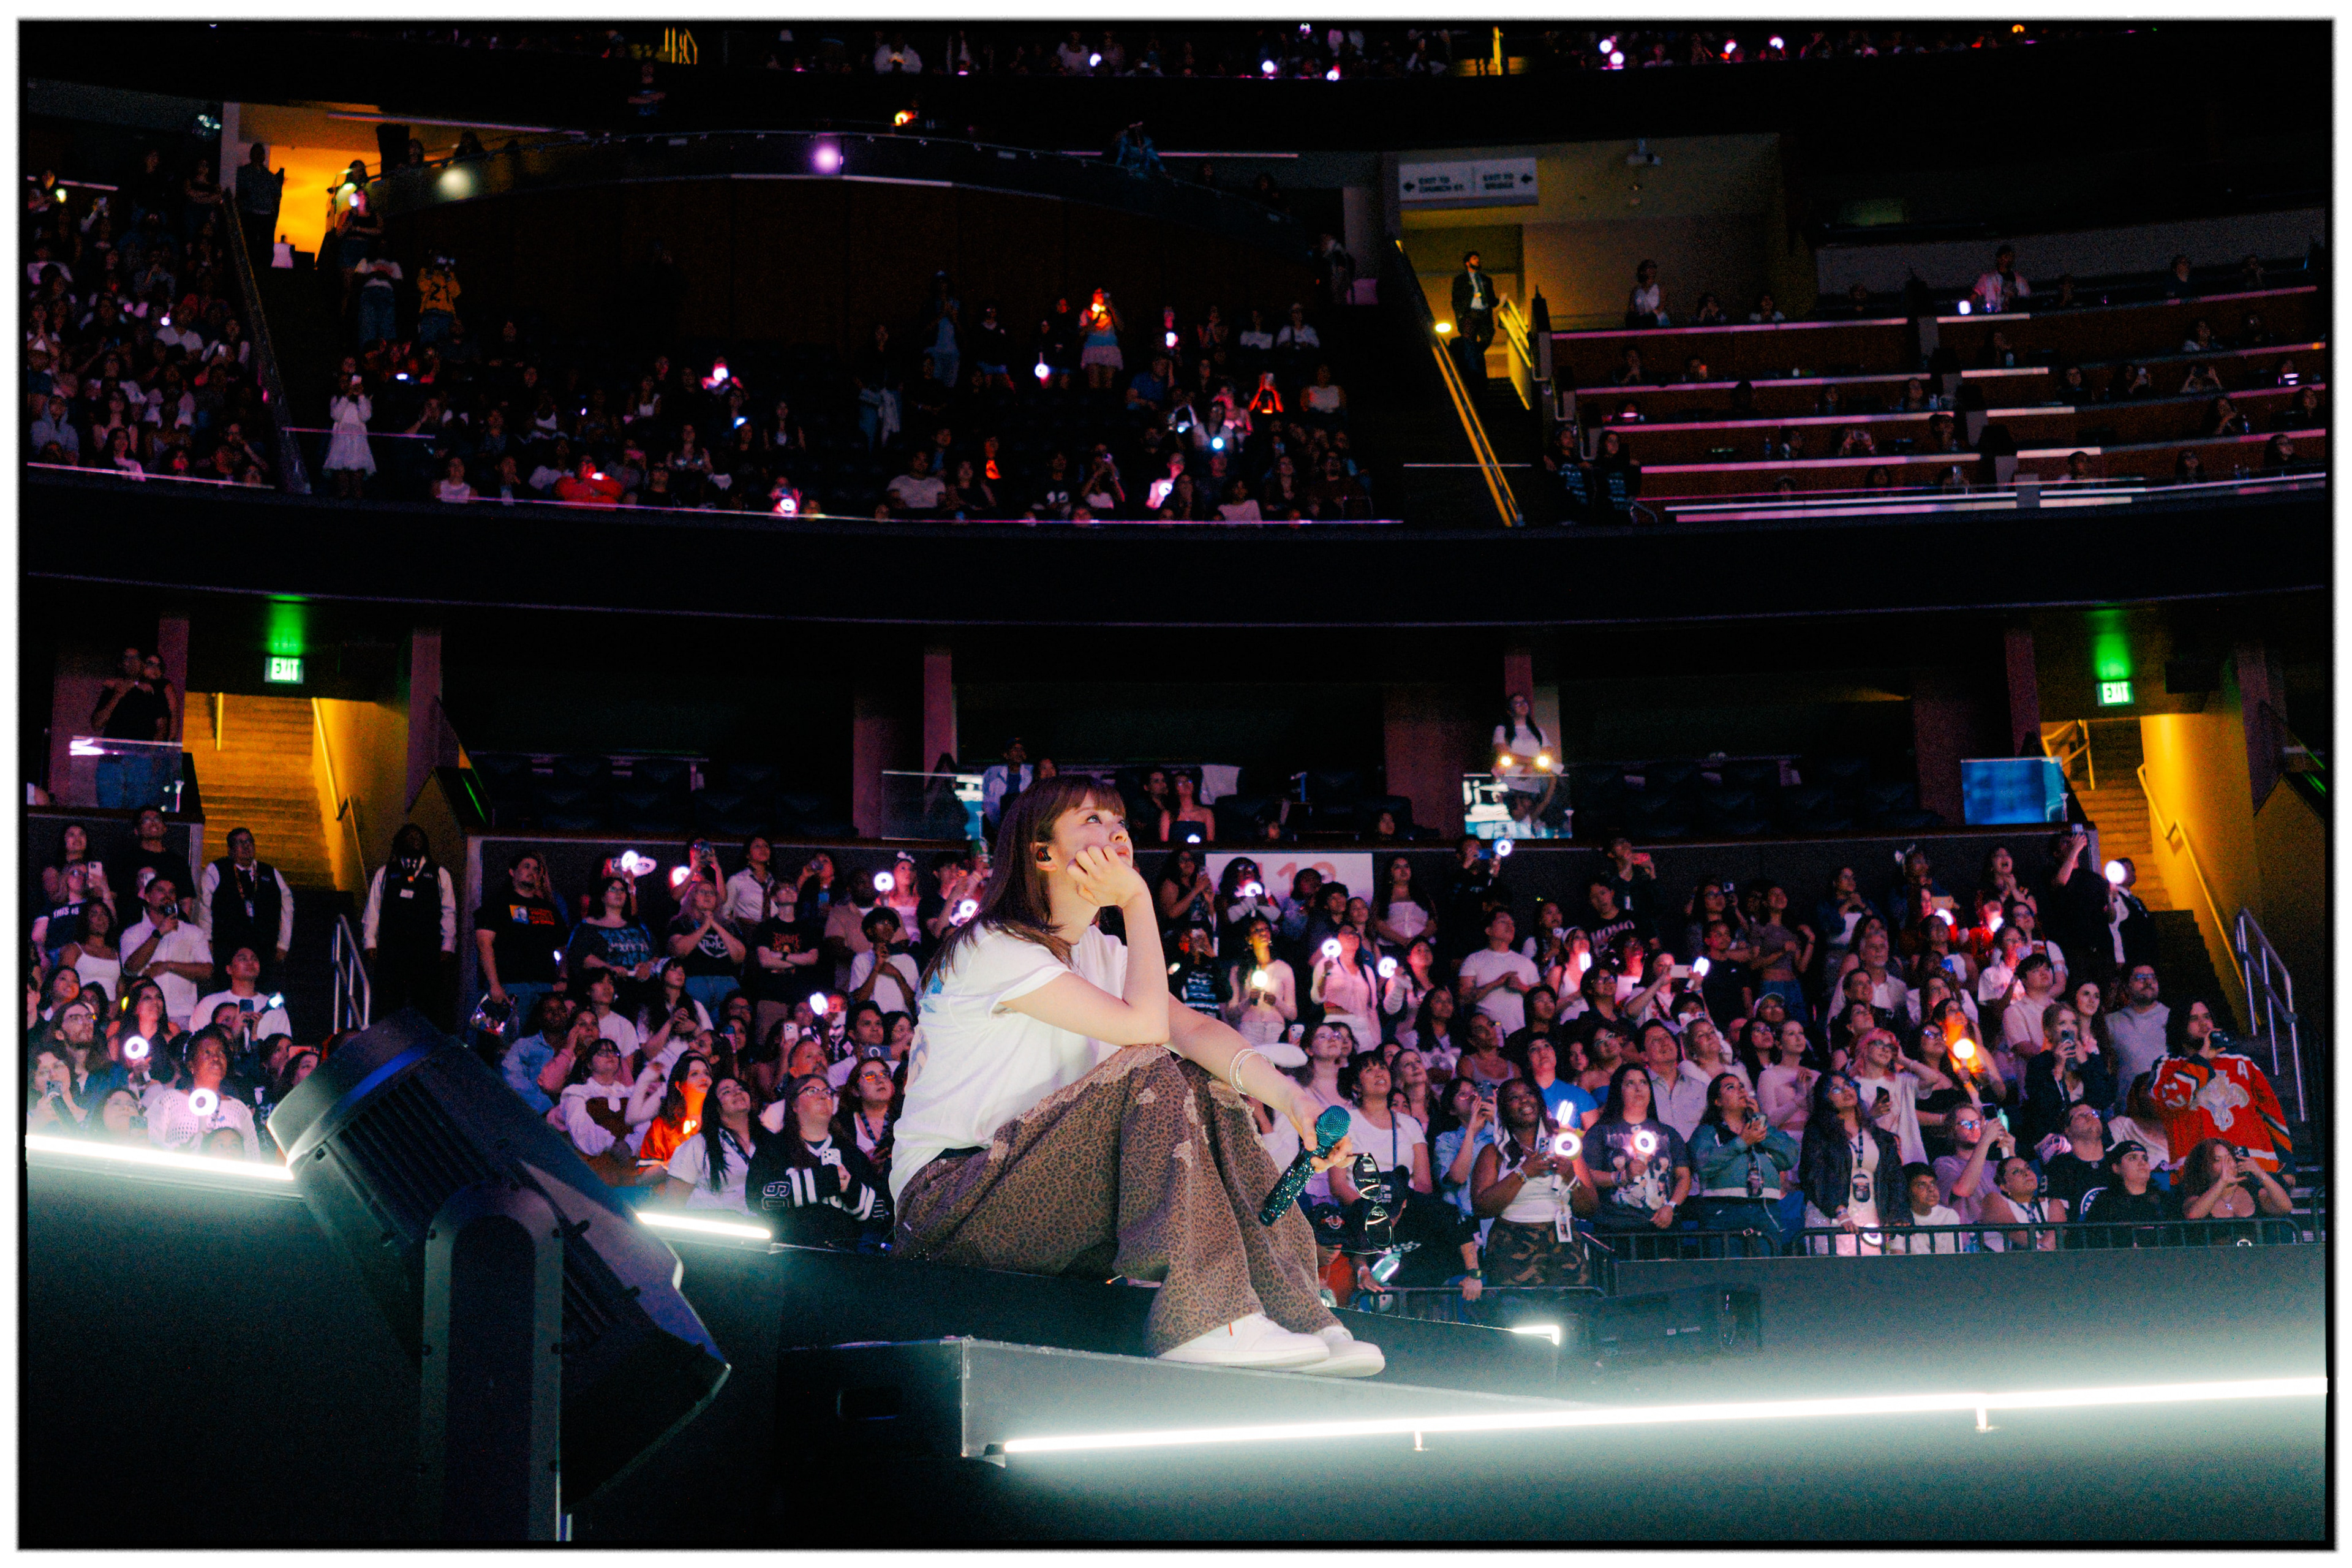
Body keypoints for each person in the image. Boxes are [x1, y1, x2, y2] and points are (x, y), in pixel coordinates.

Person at [888, 775, 1381, 1375]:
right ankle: (1202, 1315)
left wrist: (1293, 1100)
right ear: (1041, 853)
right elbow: (1146, 1029)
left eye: (1120, 822)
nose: (1117, 833)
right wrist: (1139, 901)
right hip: (949, 1208)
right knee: (1146, 1063)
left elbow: (1193, 1030)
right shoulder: (991, 945)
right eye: (1093, 820)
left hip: (1040, 1191)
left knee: (1204, 1079)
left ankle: (1296, 1312)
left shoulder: (1103, 953)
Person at [2147, 1000, 2291, 1178]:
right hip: (2199, 1174)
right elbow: (2168, 1103)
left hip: (2255, 1168)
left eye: (2207, 1017)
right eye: (2194, 1019)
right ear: (2178, 1026)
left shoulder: (2242, 1062)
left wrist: (2288, 1164)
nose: (2204, 1024)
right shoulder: (2166, 1066)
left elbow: (2272, 1112)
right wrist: (2201, 1061)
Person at [1471, 1077, 1588, 1286]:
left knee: (1572, 1304)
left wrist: (1571, 1178)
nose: (1524, 1100)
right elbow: (1481, 1207)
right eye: (1514, 1098)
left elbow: (1590, 1208)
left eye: (1529, 1094)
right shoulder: (1493, 1153)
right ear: (1504, 1110)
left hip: (1564, 1244)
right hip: (1514, 1246)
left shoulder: (1565, 1146)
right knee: (1520, 1306)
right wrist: (1524, 1172)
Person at [1577, 1061, 1690, 1244]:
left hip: (1662, 1227)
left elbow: (1684, 1176)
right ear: (1618, 1091)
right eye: (1630, 1083)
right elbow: (1587, 1176)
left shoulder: (1669, 1134)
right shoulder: (1600, 1132)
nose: (1638, 1088)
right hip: (1615, 1228)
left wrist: (1671, 1206)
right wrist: (1622, 1177)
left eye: (1643, 1082)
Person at [1686, 1072, 1798, 1254]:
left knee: (1766, 1268)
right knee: (1729, 1268)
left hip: (1765, 1210)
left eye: (1742, 1087)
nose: (1740, 1091)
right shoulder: (1708, 1132)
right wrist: (1742, 1142)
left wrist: (1761, 1122)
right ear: (1717, 1101)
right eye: (1731, 1087)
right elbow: (1703, 1165)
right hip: (1724, 1212)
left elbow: (1790, 1157)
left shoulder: (1762, 1130)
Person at [361, 823, 458, 1028]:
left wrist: (448, 945)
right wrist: (370, 941)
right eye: (409, 836)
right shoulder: (385, 873)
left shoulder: (439, 874)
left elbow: (449, 912)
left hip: (427, 951)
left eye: (417, 837)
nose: (414, 840)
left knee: (426, 1004)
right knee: (388, 1003)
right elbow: (373, 909)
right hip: (391, 950)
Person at [1796, 1071, 1903, 1255]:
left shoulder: (1880, 1137)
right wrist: (1838, 1210)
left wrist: (1896, 1215)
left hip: (1870, 1217)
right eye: (1836, 1089)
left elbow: (1894, 1177)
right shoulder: (1818, 1133)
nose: (1846, 1091)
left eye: (1849, 1085)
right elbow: (1813, 1175)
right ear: (1825, 1098)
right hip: (1831, 1216)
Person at [119, 873, 213, 1029]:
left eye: (172, 892)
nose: (167, 896)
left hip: (183, 1014)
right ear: (147, 897)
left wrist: (168, 966)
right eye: (161, 891)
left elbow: (207, 971)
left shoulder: (193, 933)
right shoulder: (132, 934)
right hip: (144, 1015)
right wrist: (159, 933)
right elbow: (130, 968)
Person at [2173, 1139, 2293, 1245]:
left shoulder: (2254, 1192)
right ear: (2205, 1167)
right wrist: (2222, 1182)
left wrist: (2260, 1173)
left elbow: (2285, 1207)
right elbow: (2193, 1215)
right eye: (2218, 1160)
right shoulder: (2197, 1197)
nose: (2227, 1164)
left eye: (2229, 1158)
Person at [2075, 1142, 2169, 1248]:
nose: (2142, 1163)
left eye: (2145, 1159)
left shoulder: (2165, 1200)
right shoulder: (2105, 1202)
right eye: (2132, 1158)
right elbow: (2092, 1241)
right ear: (2116, 1168)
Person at [1979, 1154, 2062, 1252]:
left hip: (2041, 1260)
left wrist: (2042, 1252)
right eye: (2016, 1171)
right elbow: (2015, 1231)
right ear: (2004, 1187)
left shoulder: (2053, 1203)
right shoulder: (1994, 1199)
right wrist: (2040, 1250)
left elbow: (2054, 1237)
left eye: (2028, 1168)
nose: (2026, 1173)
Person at [1889, 1163, 1966, 1255]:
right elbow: (1897, 1254)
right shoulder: (1900, 1218)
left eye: (1933, 1184)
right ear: (1906, 1190)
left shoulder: (1949, 1215)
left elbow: (1955, 1256)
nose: (1931, 1189)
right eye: (1921, 1185)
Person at [1450, 252, 1497, 378]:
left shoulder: (1486, 280)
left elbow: (1492, 299)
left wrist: (1501, 302)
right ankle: (1472, 367)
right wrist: (1461, 314)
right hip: (1469, 313)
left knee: (1488, 336)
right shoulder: (1461, 280)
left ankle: (1474, 355)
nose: (1478, 261)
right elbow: (1456, 299)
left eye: (1478, 258)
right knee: (1469, 340)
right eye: (1474, 258)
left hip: (1484, 313)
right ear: (1467, 263)